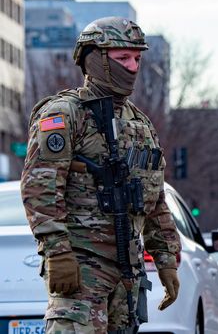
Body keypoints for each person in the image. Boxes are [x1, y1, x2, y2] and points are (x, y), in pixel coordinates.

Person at [21, 17, 181, 333]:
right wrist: (57, 252)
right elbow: (40, 187)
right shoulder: (64, 114)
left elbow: (153, 197)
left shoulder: (140, 123)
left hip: (127, 270)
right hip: (81, 264)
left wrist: (166, 258)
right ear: (95, 59)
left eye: (137, 58)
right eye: (123, 58)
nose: (133, 67)